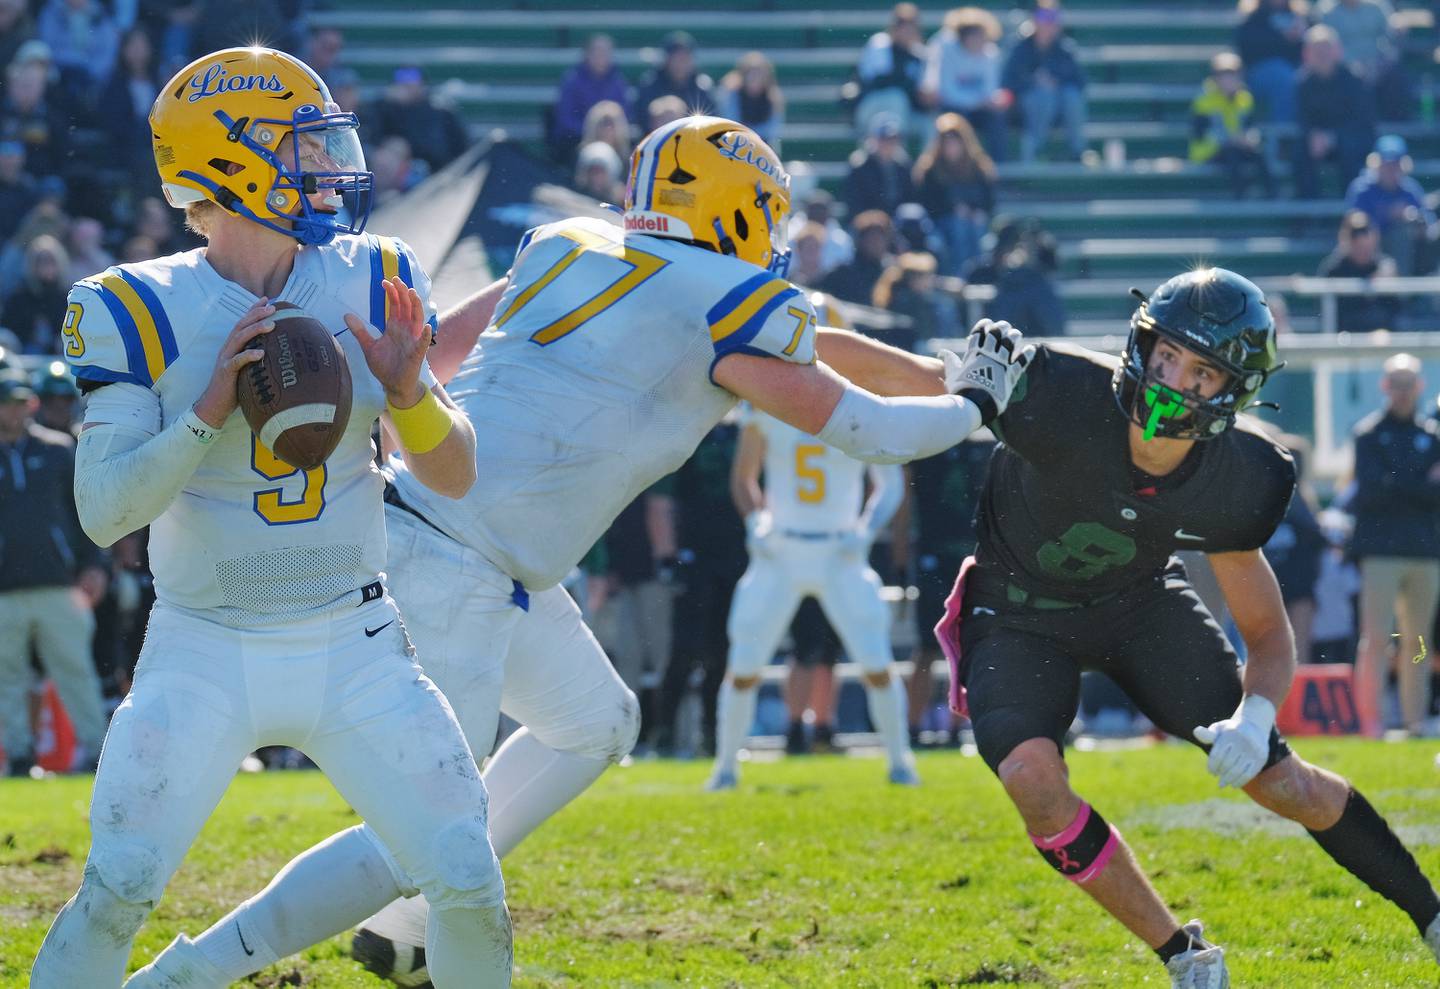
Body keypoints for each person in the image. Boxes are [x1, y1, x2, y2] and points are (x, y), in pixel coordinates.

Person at [129, 114, 1035, 988]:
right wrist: (974, 405)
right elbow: (871, 431)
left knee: (597, 720)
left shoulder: (569, 242)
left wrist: (937, 370)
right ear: (732, 209)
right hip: (455, 567)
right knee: (420, 834)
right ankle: (191, 971)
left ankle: (404, 931)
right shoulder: (720, 302)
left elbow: (437, 354)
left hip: (455, 541)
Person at [29, 47, 510, 989]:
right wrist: (207, 410)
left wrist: (411, 393)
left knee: (464, 876)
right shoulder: (138, 304)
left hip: (355, 636)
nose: (326, 166)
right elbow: (102, 511)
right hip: (204, 643)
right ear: (231, 162)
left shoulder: (374, 275)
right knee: (119, 882)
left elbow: (455, 473)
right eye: (300, 145)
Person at [932, 267, 1440, 986]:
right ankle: (1184, 954)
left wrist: (1255, 715)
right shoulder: (1062, 390)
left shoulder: (1237, 474)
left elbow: (1266, 632)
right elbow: (922, 375)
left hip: (1139, 604)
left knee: (1280, 781)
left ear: (1232, 393)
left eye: (1203, 370)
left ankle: (1432, 915)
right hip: (1019, 611)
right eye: (1167, 353)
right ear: (1141, 342)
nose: (1172, 378)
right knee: (1030, 777)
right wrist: (783, 344)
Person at [709, 396, 911, 790]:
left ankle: (901, 761)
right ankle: (725, 768)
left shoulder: (861, 406)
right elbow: (743, 477)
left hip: (840, 551)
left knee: (876, 661)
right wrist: (756, 522)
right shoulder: (769, 402)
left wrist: (866, 529)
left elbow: (891, 484)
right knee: (745, 664)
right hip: (781, 549)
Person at [0, 369, 108, 777]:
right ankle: (19, 757)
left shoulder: (60, 450)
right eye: (6, 403)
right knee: (5, 679)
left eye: (19, 402)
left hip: (58, 585)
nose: (13, 411)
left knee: (75, 672)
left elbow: (85, 514)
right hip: (4, 589)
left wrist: (94, 564)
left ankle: (100, 753)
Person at [1349, 353, 1440, 737]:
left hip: (1424, 551)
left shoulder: (1432, 437)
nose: (1402, 392)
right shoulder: (1368, 434)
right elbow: (1371, 490)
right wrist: (1418, 485)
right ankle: (1371, 722)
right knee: (1377, 639)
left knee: (1417, 641)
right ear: (1385, 388)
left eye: (1409, 384)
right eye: (1396, 384)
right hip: (1381, 552)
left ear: (1420, 387)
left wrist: (1400, 485)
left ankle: (1413, 720)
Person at [900, 433, 996, 747]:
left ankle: (957, 728)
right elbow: (904, 503)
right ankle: (912, 729)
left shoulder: (985, 445)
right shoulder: (926, 445)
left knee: (967, 646)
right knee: (927, 648)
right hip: (934, 553)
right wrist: (901, 561)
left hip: (970, 555)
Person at [1294, 24, 1374, 199]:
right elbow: (1303, 119)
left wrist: (1334, 137)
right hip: (1319, 143)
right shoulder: (1303, 83)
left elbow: (1362, 121)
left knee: (1350, 152)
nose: (1322, 55)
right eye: (1317, 50)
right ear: (1307, 54)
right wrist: (1314, 135)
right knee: (1300, 153)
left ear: (1337, 50)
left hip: (1351, 140)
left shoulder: (1354, 79)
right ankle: (1308, 212)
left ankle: (1352, 208)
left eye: (1326, 49)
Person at [1001, 0, 1087, 162]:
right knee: (1043, 96)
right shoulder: (1020, 47)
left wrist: (1055, 82)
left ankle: (1078, 152)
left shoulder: (1065, 48)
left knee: (1071, 96)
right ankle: (1035, 151)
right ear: (1034, 20)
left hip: (1058, 107)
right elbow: (1008, 82)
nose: (1048, 23)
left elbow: (1080, 82)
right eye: (1043, 17)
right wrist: (1035, 82)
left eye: (1053, 17)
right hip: (1023, 110)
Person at [913, 111, 996, 273]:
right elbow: (926, 204)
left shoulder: (979, 168)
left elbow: (989, 201)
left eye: (955, 142)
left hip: (973, 223)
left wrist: (977, 212)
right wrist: (953, 210)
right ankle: (960, 275)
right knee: (959, 226)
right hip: (939, 224)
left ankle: (979, 274)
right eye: (947, 142)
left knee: (975, 227)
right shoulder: (929, 170)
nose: (951, 147)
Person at [922, 6, 1008, 160]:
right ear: (962, 36)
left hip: (978, 109)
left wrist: (988, 101)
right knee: (955, 124)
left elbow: (990, 91)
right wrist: (979, 102)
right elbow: (947, 92)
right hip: (951, 108)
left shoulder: (990, 54)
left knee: (997, 119)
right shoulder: (945, 50)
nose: (978, 41)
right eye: (973, 36)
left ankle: (997, 171)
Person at [1345, 134, 1436, 275]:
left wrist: (1414, 219)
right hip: (1370, 254)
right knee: (1399, 234)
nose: (1391, 170)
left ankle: (1417, 289)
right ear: (1376, 164)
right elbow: (1355, 228)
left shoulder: (1411, 189)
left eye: (1395, 165)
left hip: (1409, 254)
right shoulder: (1362, 189)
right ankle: (1399, 293)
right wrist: (1389, 215)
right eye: (1386, 165)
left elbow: (1428, 226)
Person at [1189, 51, 1275, 199]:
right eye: (1224, 75)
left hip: (1236, 147)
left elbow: (1249, 126)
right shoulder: (1203, 101)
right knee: (1232, 153)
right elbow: (1200, 135)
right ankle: (1239, 197)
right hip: (1209, 152)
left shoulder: (1245, 98)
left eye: (1233, 75)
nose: (1229, 80)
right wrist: (1231, 139)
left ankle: (1272, 195)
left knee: (1259, 152)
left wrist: (1250, 138)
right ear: (1216, 78)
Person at [551, 33, 632, 165]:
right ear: (586, 54)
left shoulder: (618, 81)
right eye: (596, 52)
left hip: (612, 140)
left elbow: (625, 114)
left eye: (605, 52)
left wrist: (608, 132)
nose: (601, 56)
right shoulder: (572, 80)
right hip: (578, 141)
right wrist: (594, 131)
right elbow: (566, 119)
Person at [853, 2, 928, 140]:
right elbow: (882, 80)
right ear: (894, 28)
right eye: (903, 28)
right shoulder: (880, 43)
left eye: (911, 29)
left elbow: (920, 92)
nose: (907, 33)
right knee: (896, 98)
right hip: (871, 106)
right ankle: (891, 157)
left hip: (905, 111)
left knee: (933, 122)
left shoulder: (918, 54)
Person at [1316, 210, 1400, 332]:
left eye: (1365, 232)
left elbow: (1395, 309)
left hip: (1380, 337)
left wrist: (1386, 282)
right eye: (1354, 234)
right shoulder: (1333, 269)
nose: (1361, 238)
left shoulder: (1385, 267)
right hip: (1343, 338)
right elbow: (1328, 314)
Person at [1235, 0, 1308, 124]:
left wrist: (1301, 36)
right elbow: (1247, 50)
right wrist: (1283, 38)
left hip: (1295, 70)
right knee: (1283, 77)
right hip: (1259, 73)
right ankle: (1284, 134)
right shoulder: (1253, 17)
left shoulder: (1300, 17)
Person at [843, 113, 916, 220]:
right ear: (873, 138)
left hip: (897, 222)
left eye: (892, 139)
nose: (888, 143)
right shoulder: (859, 165)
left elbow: (910, 199)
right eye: (883, 138)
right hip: (868, 224)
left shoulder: (904, 165)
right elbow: (854, 204)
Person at [822, 208, 896, 306]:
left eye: (881, 238)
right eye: (871, 238)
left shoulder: (893, 273)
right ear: (860, 240)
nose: (876, 243)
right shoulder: (842, 273)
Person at [635, 31, 714, 118]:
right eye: (676, 58)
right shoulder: (650, 85)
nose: (681, 64)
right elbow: (641, 120)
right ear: (667, 60)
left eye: (685, 58)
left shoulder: (702, 87)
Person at [716, 51, 785, 151]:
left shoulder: (774, 99)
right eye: (750, 72)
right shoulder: (731, 94)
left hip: (763, 146)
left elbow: (771, 131)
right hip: (733, 144)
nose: (754, 77)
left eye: (759, 73)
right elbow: (730, 124)